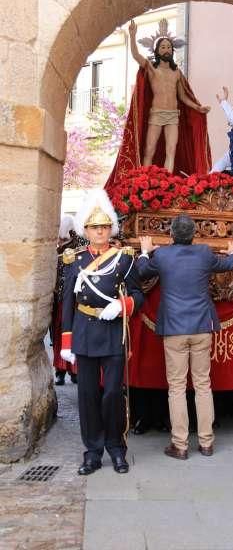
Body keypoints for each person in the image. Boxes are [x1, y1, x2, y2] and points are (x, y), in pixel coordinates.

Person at [136, 215, 233, 460]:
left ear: (171, 235)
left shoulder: (162, 256)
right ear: (194, 235)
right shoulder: (204, 253)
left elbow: (141, 271)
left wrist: (144, 251)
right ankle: (206, 443)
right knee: (203, 385)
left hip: (174, 329)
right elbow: (227, 265)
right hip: (202, 326)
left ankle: (180, 445)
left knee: (177, 387)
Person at [61, 190, 144, 476]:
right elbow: (68, 303)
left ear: (111, 229)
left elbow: (138, 294)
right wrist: (66, 340)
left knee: (111, 394)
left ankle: (117, 448)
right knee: (86, 396)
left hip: (112, 333)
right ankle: (93, 452)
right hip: (84, 333)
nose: (100, 231)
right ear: (86, 230)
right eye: (95, 227)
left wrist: (122, 306)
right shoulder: (75, 260)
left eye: (105, 226)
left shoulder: (123, 259)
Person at [128, 19, 210, 173]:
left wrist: (198, 107)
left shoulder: (176, 72)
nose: (166, 49)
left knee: (171, 150)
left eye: (169, 47)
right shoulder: (152, 68)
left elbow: (183, 97)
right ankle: (144, 181)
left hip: (173, 115)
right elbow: (135, 55)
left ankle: (168, 183)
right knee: (149, 150)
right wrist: (132, 36)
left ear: (172, 51)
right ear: (157, 50)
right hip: (157, 113)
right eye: (163, 47)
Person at [51, 215, 83, 386]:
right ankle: (60, 370)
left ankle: (72, 370)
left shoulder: (77, 247)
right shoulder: (57, 249)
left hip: (71, 298)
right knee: (58, 334)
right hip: (60, 298)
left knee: (70, 333)